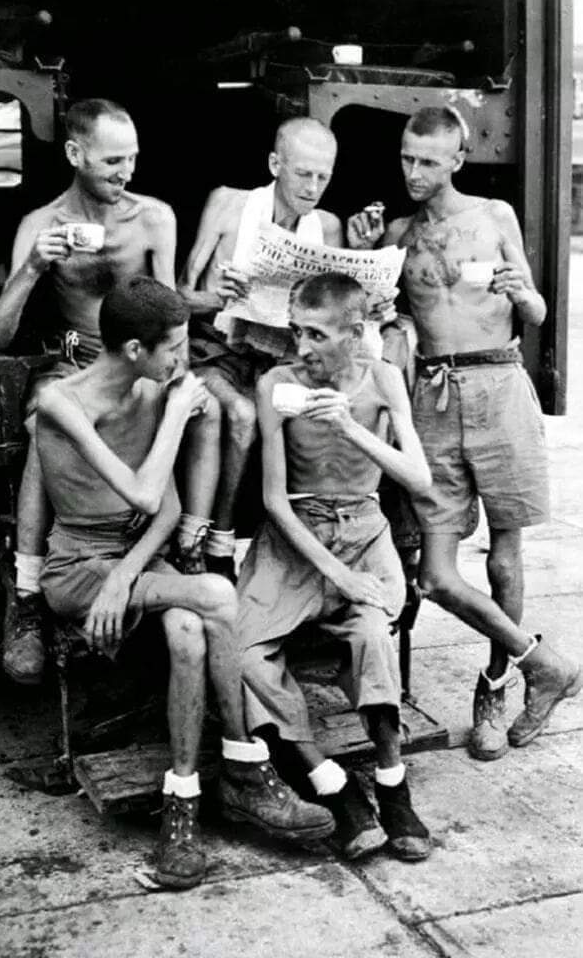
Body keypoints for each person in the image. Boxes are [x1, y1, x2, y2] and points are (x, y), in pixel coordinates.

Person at [35, 275, 334, 890]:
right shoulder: (64, 403)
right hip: (76, 567)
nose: (185, 358)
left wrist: (125, 577)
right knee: (218, 594)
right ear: (136, 349)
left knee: (190, 630)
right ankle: (247, 767)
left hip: (135, 561)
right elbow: (140, 491)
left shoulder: (150, 391)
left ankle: (184, 802)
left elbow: (166, 511)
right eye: (174, 346)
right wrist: (177, 411)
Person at [349, 105, 582, 761]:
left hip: (500, 383)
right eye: (407, 158)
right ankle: (545, 663)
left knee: (506, 558)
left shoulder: (495, 216)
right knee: (435, 573)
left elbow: (535, 310)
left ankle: (497, 684)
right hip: (434, 392)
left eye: (429, 160)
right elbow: (376, 313)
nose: (415, 171)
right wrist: (366, 247)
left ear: (458, 158)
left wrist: (521, 290)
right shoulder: (397, 232)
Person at [0, 98, 219, 684]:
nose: (126, 173)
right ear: (75, 154)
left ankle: (193, 543)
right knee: (44, 419)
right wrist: (34, 267)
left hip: (143, 360)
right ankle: (30, 590)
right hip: (72, 364)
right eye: (113, 161)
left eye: (133, 160)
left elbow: (168, 317)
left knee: (215, 411)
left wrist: (186, 368)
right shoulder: (41, 225)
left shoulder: (154, 216)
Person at [237, 272, 433, 862]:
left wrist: (349, 424)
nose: (303, 347)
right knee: (241, 655)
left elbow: (418, 479)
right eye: (297, 331)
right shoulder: (277, 382)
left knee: (373, 632)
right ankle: (331, 783)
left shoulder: (384, 379)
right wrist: (337, 575)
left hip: (363, 528)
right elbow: (274, 499)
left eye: (318, 335)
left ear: (356, 333)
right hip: (294, 535)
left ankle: (393, 785)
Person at [177, 117, 344, 580]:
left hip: (279, 361)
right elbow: (178, 297)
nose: (313, 187)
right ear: (275, 164)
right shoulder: (229, 206)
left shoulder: (325, 227)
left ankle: (311, 546)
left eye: (323, 177)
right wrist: (220, 298)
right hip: (215, 354)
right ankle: (218, 542)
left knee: (327, 416)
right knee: (245, 415)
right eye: (303, 173)